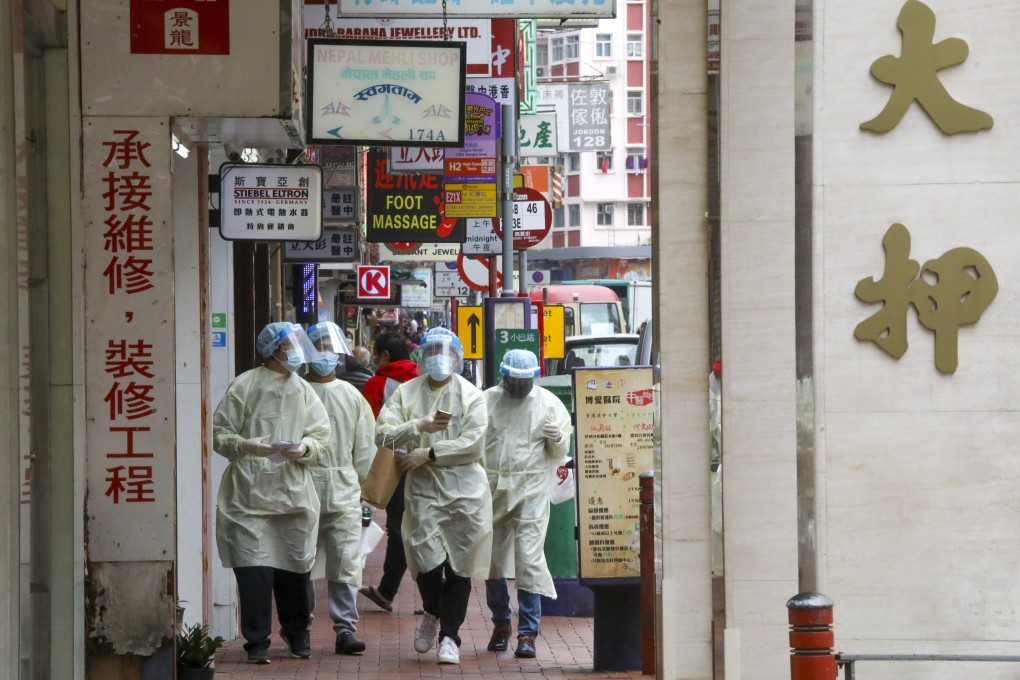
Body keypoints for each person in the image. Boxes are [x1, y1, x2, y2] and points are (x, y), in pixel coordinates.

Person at [212, 322, 330, 665]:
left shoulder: (305, 391)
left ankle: (297, 632)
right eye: (290, 344)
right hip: (249, 496)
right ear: (271, 349)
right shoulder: (244, 385)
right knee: (254, 572)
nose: (296, 350)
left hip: (292, 494)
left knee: (295, 570)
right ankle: (257, 641)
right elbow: (220, 433)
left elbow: (322, 437)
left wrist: (304, 447)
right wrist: (244, 444)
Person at [375, 327, 492, 665]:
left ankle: (449, 637)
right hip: (424, 490)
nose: (440, 358)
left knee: (460, 565)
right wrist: (417, 427)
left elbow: (473, 442)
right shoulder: (407, 393)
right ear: (421, 356)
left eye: (447, 352)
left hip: (465, 491)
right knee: (426, 560)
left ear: (457, 358)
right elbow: (383, 436)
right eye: (432, 351)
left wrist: (429, 453)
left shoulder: (471, 395)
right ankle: (431, 610)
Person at [482, 349, 572, 659]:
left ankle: (527, 632)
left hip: (530, 489)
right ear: (503, 376)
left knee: (529, 559)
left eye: (525, 381)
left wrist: (558, 438)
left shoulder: (548, 404)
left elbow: (560, 452)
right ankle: (501, 623)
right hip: (493, 487)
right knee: (492, 560)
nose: (519, 386)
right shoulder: (487, 401)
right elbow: (473, 442)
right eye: (514, 380)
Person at [304, 321, 377, 655]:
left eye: (330, 349)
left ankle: (345, 629)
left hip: (344, 488)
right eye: (319, 347)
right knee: (297, 561)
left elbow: (364, 449)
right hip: (301, 486)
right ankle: (298, 627)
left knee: (346, 562)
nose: (325, 355)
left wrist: (366, 492)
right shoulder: (296, 391)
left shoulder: (351, 396)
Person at [358, 331, 420, 613]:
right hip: (430, 462)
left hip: (394, 466)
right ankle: (435, 593)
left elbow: (367, 429)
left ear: (384, 355)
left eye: (375, 352)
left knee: (398, 528)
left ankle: (387, 591)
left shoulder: (377, 384)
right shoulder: (424, 378)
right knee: (428, 526)